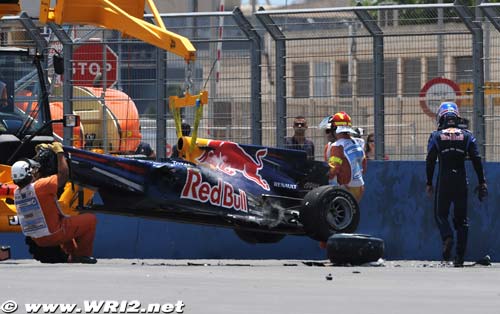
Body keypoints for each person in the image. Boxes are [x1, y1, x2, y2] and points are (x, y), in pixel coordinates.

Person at [12, 142, 98, 264]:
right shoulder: (42, 186)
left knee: (65, 220)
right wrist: (59, 153)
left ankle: (72, 255)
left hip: (38, 239)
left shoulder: (17, 193)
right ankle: (83, 255)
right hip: (53, 234)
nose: (36, 170)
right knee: (90, 219)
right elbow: (63, 175)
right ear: (29, 174)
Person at [426, 102, 487, 267]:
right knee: (462, 220)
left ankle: (447, 236)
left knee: (441, 215)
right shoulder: (467, 135)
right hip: (461, 180)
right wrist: (482, 181)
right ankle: (459, 258)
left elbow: (430, 161)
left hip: (444, 180)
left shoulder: (435, 136)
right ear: (456, 117)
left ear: (441, 117)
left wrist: (429, 182)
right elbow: (476, 159)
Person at [322, 112, 367, 202]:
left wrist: (323, 176)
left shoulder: (337, 145)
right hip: (359, 188)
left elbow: (334, 169)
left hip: (344, 189)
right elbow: (364, 165)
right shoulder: (357, 142)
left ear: (335, 128)